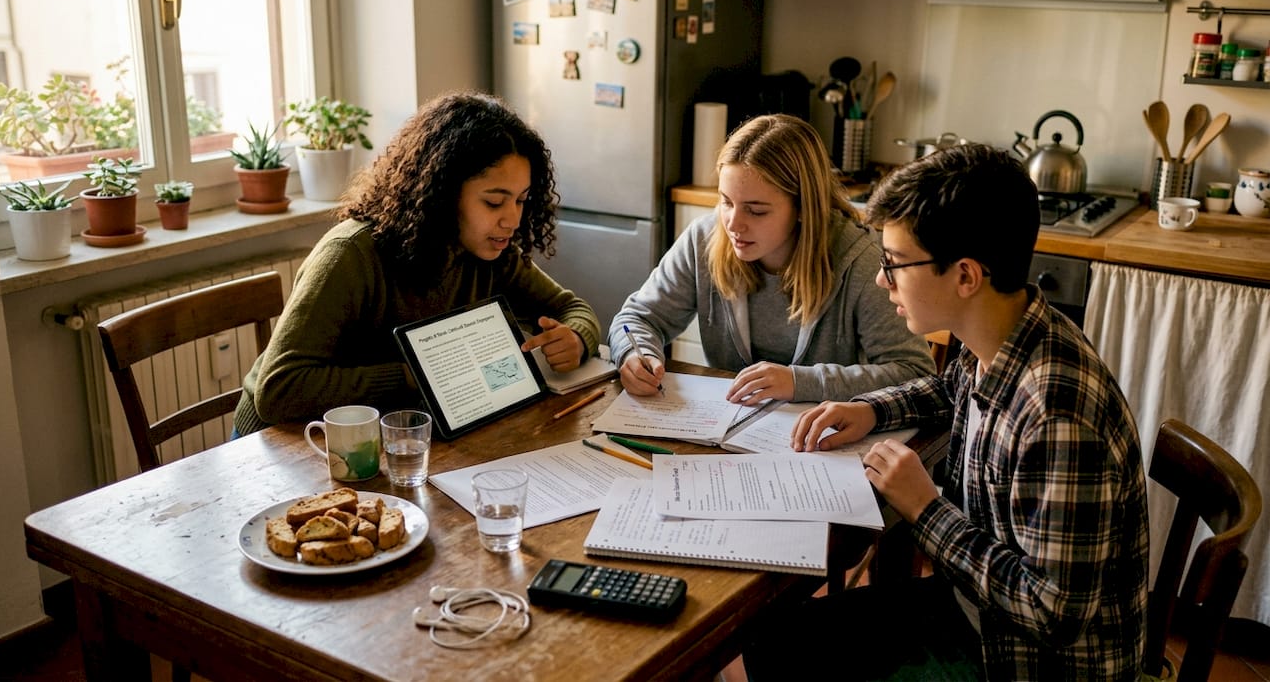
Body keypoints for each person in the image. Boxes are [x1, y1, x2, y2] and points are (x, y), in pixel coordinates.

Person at [742, 145, 1149, 681]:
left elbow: (1055, 614)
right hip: (977, 613)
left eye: (895, 263)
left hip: (1024, 660)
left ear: (965, 276)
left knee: (784, 647)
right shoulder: (1003, 335)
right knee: (774, 636)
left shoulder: (1058, 413)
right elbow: (945, 393)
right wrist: (866, 410)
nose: (884, 280)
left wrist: (924, 506)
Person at [232, 91, 600, 436]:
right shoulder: (349, 255)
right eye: (493, 202)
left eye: (520, 200)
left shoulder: (489, 250)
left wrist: (577, 339)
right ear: (442, 193)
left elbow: (572, 308)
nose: (512, 220)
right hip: (282, 443)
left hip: (387, 436)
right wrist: (415, 374)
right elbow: (279, 389)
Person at [609, 114, 934, 404]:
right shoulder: (705, 239)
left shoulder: (862, 262)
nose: (733, 224)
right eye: (725, 202)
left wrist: (799, 382)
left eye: (756, 210)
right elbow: (637, 318)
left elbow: (915, 374)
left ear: (804, 208)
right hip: (724, 439)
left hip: (824, 449)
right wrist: (635, 355)